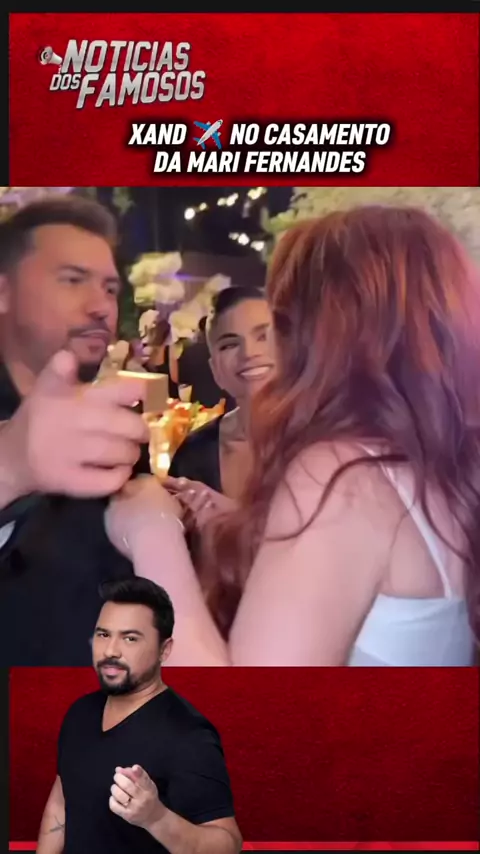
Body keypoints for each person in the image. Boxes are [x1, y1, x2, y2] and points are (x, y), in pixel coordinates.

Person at [105, 206, 478, 666]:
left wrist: (151, 531)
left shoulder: (343, 475)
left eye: (279, 324)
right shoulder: (436, 465)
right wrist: (245, 529)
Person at [0, 195, 151, 666]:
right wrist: (10, 466)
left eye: (110, 288)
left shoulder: (113, 423)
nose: (101, 306)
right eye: (72, 280)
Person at [36, 576, 241, 854]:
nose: (111, 650)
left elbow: (228, 845)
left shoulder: (188, 735)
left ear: (164, 650)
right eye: (103, 634)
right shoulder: (79, 713)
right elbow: (61, 805)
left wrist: (156, 818)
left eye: (130, 638)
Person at [167, 287, 275, 529]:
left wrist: (233, 520)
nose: (249, 353)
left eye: (263, 336)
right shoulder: (194, 454)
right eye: (229, 345)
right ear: (215, 370)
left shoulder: (330, 445)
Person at [177, 315, 226, 408]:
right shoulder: (228, 352)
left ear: (201, 331)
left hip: (199, 407)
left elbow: (183, 380)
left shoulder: (190, 351)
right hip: (226, 406)